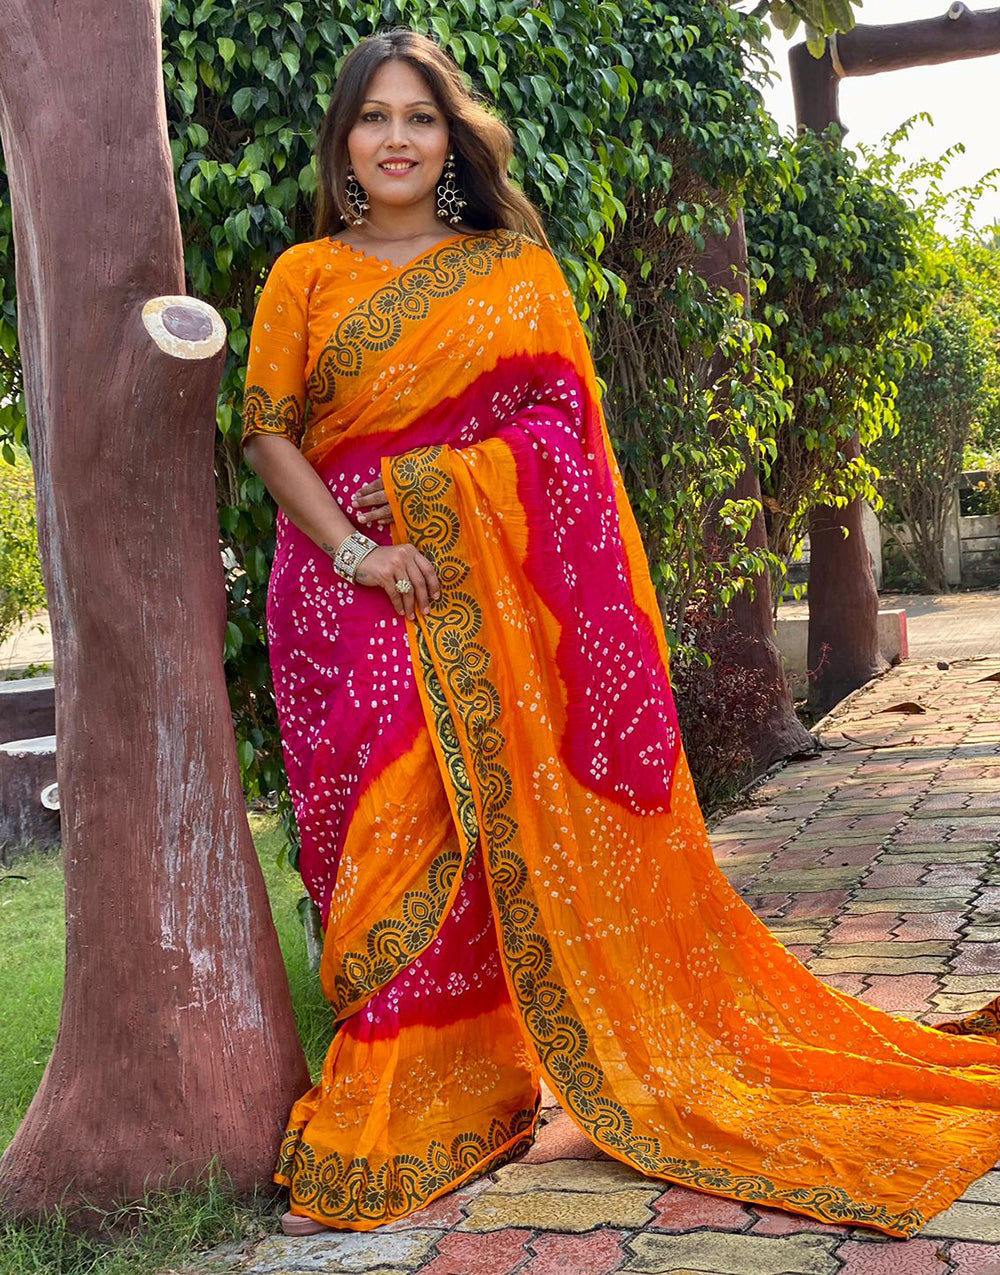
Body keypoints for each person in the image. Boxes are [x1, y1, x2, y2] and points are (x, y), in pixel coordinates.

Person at [242, 25, 1000, 1241]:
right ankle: (427, 1067)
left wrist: (441, 491)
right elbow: (270, 430)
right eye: (373, 118)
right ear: (341, 142)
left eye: (419, 117)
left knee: (435, 811)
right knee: (362, 837)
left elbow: (565, 449)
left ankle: (438, 1085)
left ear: (452, 140)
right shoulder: (304, 277)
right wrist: (355, 546)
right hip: (339, 588)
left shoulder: (512, 273)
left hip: (463, 584)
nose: (395, 138)